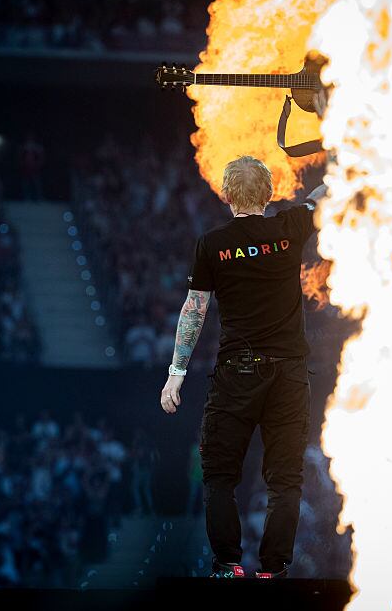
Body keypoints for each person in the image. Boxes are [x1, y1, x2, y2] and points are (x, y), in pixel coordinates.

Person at [159, 155, 326, 579]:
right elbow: (321, 198)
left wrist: (176, 371)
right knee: (285, 479)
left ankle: (228, 566)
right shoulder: (290, 227)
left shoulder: (213, 243)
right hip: (289, 374)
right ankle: (274, 570)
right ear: (269, 194)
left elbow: (195, 307)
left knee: (219, 474)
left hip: (239, 372)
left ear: (227, 194)